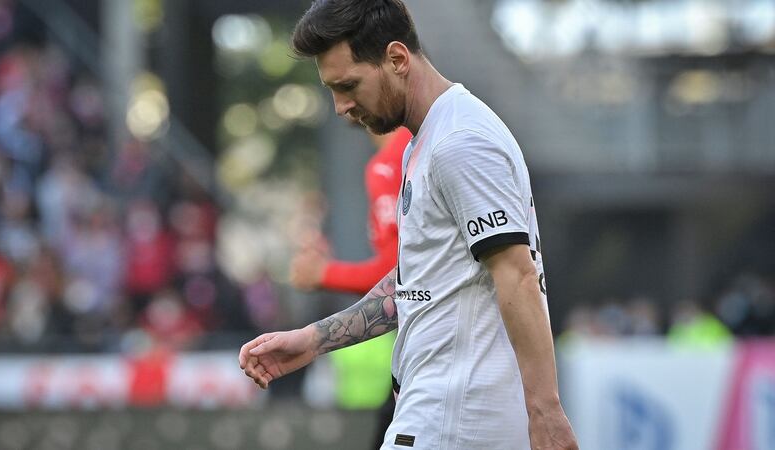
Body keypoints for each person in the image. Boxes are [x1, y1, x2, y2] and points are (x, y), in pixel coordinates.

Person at [239, 1, 579, 449]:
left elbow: (516, 275)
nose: (341, 107)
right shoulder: (430, 140)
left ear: (397, 59)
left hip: (455, 419)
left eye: (348, 85)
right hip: (440, 413)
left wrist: (545, 409)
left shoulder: (460, 142)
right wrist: (312, 340)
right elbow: (419, 281)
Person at [290, 126, 411, 449]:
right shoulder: (424, 144)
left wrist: (323, 274)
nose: (340, 105)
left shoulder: (389, 164)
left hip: (425, 350)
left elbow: (400, 277)